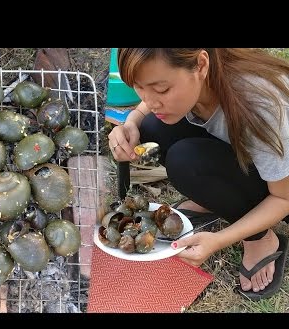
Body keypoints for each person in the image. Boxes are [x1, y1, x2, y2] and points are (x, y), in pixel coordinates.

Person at [108, 48, 289, 301]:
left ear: (201, 65)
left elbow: (284, 199)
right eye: (139, 87)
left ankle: (261, 239)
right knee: (151, 126)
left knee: (187, 162)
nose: (150, 101)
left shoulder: (261, 106)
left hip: (283, 190)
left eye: (161, 90)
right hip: (257, 160)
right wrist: (132, 121)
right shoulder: (203, 72)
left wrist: (219, 240)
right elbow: (149, 101)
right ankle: (220, 196)